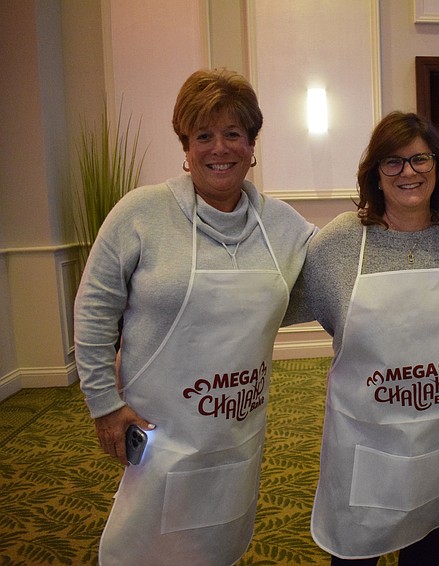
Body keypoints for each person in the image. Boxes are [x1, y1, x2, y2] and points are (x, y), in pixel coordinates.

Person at [74, 68, 316, 565]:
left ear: (252, 145)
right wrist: (103, 403)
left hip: (235, 425)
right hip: (159, 427)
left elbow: (332, 277)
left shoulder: (283, 225)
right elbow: (94, 311)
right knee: (144, 544)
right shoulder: (140, 213)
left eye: (233, 134)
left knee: (216, 536)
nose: (219, 148)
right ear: (185, 147)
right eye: (203, 135)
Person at [287, 111, 439, 565]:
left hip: (437, 433)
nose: (408, 172)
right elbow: (273, 305)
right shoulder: (340, 242)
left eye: (420, 160)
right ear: (375, 173)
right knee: (356, 546)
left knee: (424, 538)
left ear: (437, 167)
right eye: (392, 162)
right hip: (365, 440)